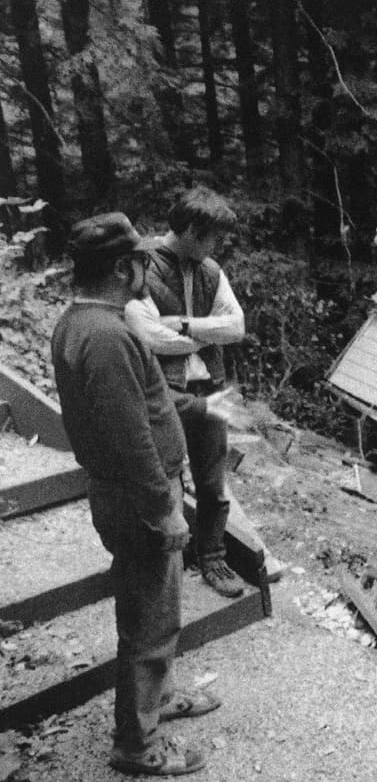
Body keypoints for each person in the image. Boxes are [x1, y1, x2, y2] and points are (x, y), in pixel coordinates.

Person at [52, 212, 222, 776]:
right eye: (143, 263)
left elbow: (141, 405)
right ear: (124, 268)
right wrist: (163, 508)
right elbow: (128, 438)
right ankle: (137, 744)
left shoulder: (85, 323)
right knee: (150, 619)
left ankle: (156, 699)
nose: (147, 272)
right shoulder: (104, 335)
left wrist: (197, 411)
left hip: (129, 494)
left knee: (154, 609)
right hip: (137, 498)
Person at [124, 187, 246, 597]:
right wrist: (204, 335)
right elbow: (147, 334)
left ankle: (212, 558)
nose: (218, 245)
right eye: (214, 235)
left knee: (213, 481)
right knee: (165, 476)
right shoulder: (143, 263)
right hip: (166, 390)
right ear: (193, 230)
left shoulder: (211, 270)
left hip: (212, 385)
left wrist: (185, 325)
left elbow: (237, 327)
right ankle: (164, 560)